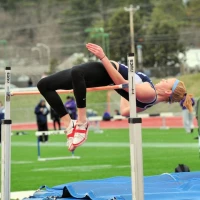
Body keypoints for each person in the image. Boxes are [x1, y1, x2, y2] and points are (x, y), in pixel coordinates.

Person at [37, 43, 193, 152]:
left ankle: (82, 121)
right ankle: (68, 123)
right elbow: (125, 110)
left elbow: (123, 83)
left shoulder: (150, 93)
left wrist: (103, 57)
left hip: (107, 71)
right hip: (109, 73)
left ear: (167, 92)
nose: (163, 80)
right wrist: (124, 91)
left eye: (167, 82)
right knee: (44, 85)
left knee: (77, 71)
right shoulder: (148, 102)